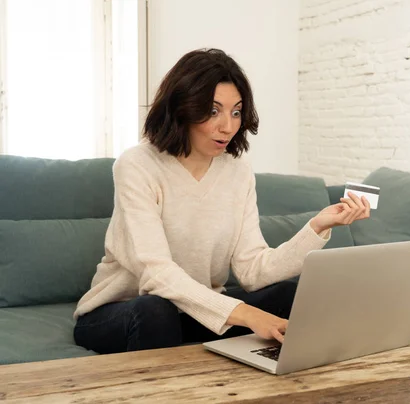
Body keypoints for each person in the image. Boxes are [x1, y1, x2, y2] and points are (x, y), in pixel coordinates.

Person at [73, 48, 370, 354]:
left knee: (287, 295)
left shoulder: (238, 172)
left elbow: (253, 270)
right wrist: (247, 315)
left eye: (236, 112)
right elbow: (156, 273)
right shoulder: (137, 165)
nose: (227, 126)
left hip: (194, 311)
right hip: (123, 311)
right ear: (182, 107)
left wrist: (317, 226)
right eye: (213, 111)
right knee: (155, 310)